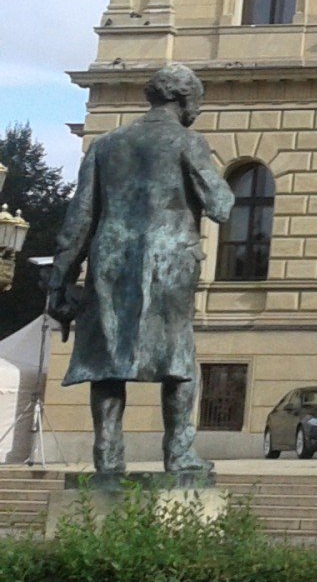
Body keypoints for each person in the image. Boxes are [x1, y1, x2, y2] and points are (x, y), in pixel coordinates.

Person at [46, 62, 233, 479]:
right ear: (185, 100)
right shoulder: (189, 142)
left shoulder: (106, 145)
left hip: (111, 260)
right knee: (178, 358)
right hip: (168, 261)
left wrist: (60, 280)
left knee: (107, 360)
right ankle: (180, 454)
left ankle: (108, 458)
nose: (197, 112)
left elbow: (79, 220)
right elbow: (221, 205)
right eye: (197, 103)